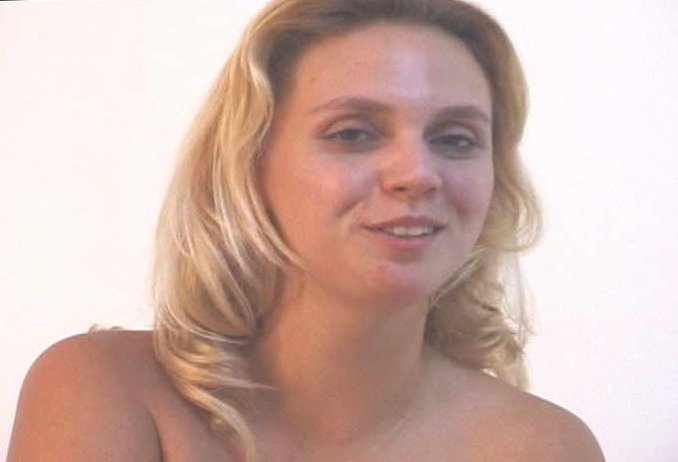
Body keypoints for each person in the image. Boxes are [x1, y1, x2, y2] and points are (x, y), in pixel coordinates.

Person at [7, 0, 606, 461]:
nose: (418, 174)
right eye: (353, 133)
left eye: (455, 139)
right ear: (249, 165)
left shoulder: (544, 446)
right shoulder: (105, 389)